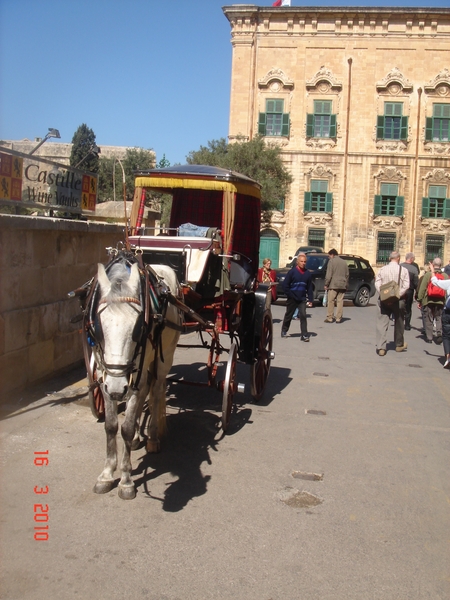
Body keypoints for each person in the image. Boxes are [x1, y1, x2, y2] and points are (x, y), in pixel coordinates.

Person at [375, 251, 410, 356]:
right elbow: (406, 285)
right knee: (399, 321)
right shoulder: (403, 270)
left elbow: (377, 282)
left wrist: (383, 294)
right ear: (398, 258)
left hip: (384, 299)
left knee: (382, 322)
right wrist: (397, 294)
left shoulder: (382, 269)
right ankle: (399, 344)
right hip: (398, 300)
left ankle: (381, 347)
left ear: (389, 258)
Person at [281, 253, 314, 341]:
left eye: (305, 262)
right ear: (297, 262)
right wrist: (290, 295)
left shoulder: (307, 274)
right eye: (301, 261)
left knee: (303, 315)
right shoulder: (292, 272)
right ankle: (284, 330)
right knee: (289, 315)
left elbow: (309, 287)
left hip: (302, 298)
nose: (303, 263)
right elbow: (285, 285)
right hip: (292, 298)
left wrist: (310, 299)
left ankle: (304, 335)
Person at [417, 257, 448, 345]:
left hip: (428, 300)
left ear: (433, 265)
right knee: (439, 317)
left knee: (428, 318)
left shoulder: (428, 275)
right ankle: (439, 333)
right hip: (441, 301)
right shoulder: (445, 276)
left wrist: (419, 300)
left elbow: (422, 288)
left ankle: (429, 337)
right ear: (441, 265)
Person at [430, 266, 450, 368]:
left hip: (448, 312)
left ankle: (448, 356)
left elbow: (435, 282)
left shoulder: (449, 283)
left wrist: (433, 271)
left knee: (446, 335)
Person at [324, 249, 349, 323]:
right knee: (340, 301)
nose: (329, 258)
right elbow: (347, 275)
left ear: (332, 254)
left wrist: (326, 284)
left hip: (333, 285)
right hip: (342, 284)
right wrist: (346, 285)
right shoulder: (344, 262)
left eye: (329, 256)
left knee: (331, 301)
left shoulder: (331, 261)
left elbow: (329, 274)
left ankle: (330, 317)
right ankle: (338, 318)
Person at [400, 252, 419, 330]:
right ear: (411, 259)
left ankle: (399, 322)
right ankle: (407, 325)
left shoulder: (400, 266)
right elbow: (416, 282)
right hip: (409, 290)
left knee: (400, 306)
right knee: (408, 307)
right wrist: (417, 292)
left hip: (400, 289)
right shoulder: (414, 269)